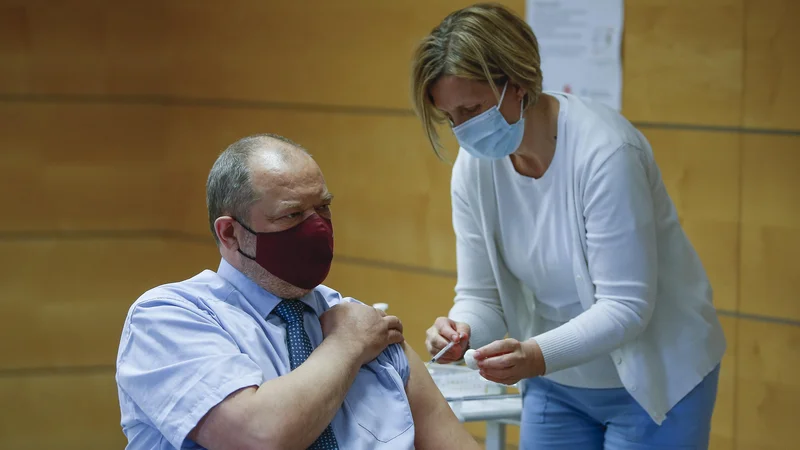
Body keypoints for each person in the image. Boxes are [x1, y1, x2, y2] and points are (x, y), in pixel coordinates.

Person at [411, 3, 726, 449]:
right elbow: (481, 296)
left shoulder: (606, 153)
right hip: (558, 383)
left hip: (656, 379)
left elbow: (626, 306)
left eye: (473, 108)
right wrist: (460, 332)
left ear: (517, 83)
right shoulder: (474, 169)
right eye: (451, 118)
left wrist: (535, 355)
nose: (464, 131)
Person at [115, 134, 481, 450]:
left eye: (323, 207)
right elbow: (258, 436)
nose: (317, 228)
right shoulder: (169, 317)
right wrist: (346, 345)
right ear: (230, 233)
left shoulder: (363, 325)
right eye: (291, 215)